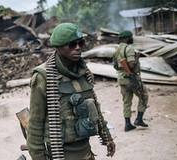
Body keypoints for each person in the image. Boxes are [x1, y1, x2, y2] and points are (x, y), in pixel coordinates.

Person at [27, 23, 116, 160]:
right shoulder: (43, 77)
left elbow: (95, 108)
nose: (78, 48)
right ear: (58, 46)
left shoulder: (84, 72)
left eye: (81, 43)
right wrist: (38, 157)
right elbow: (35, 123)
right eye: (72, 45)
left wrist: (106, 136)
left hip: (85, 150)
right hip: (61, 154)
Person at [112, 30, 149, 132]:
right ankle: (139, 119)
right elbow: (132, 65)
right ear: (126, 39)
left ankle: (128, 124)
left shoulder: (116, 50)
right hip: (131, 78)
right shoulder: (129, 49)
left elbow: (115, 66)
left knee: (126, 101)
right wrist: (137, 58)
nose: (132, 39)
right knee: (144, 95)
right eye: (131, 37)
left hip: (121, 78)